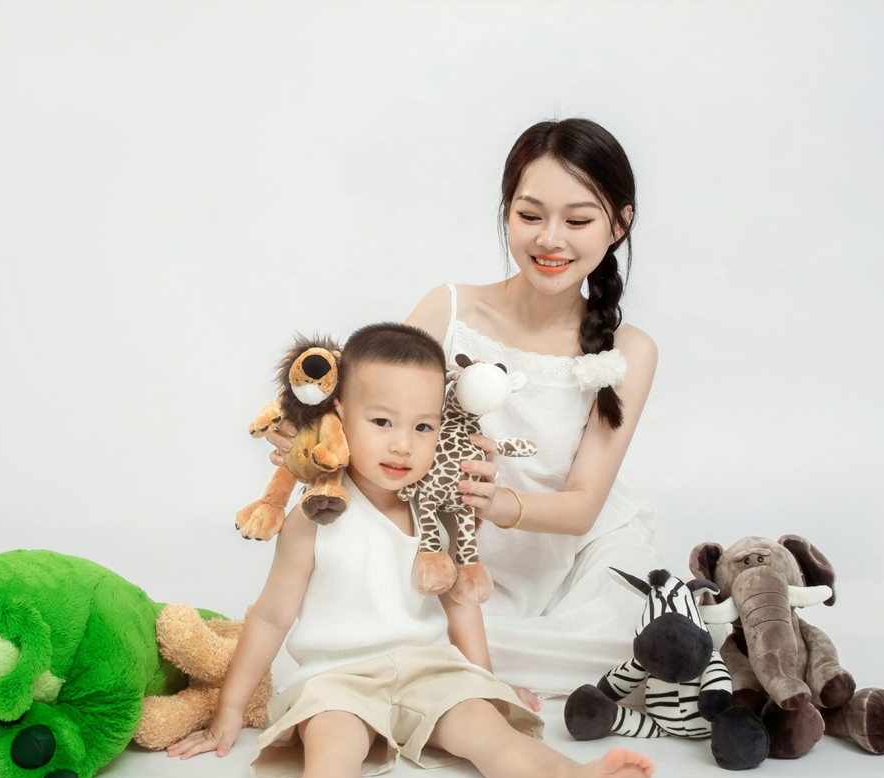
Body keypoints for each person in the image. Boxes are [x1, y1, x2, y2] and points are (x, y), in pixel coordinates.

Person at [169, 322, 653, 778]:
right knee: (332, 744)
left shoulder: (441, 515)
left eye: (423, 426)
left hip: (430, 669)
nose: (403, 444)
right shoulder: (314, 515)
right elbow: (273, 615)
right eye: (382, 422)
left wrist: (485, 684)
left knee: (488, 732)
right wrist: (229, 710)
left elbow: (461, 608)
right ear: (339, 417)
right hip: (339, 677)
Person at [266, 118, 663, 697]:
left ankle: (468, 669)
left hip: (557, 551)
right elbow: (365, 413)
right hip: (437, 536)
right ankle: (465, 668)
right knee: (411, 626)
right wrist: (312, 438)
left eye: (578, 221)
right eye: (530, 215)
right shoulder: (448, 308)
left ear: (619, 224)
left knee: (632, 643)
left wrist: (496, 502)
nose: (550, 240)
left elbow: (581, 508)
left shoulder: (630, 351)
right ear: (507, 211)